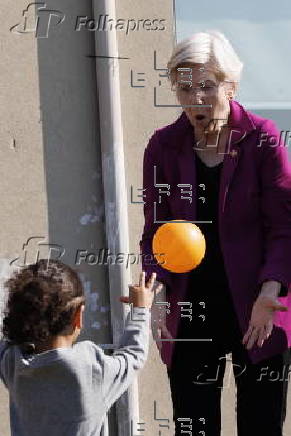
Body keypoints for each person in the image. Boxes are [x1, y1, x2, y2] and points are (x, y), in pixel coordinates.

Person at [140, 30, 291, 436]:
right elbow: (155, 230)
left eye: (206, 87)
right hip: (191, 311)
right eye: (185, 89)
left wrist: (270, 291)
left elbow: (285, 227)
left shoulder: (263, 139)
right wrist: (156, 293)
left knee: (261, 427)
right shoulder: (162, 146)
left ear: (232, 85)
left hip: (257, 308)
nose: (195, 101)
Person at [0, 259, 161, 436]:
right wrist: (140, 309)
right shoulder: (89, 369)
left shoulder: (12, 363)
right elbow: (133, 354)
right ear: (79, 316)